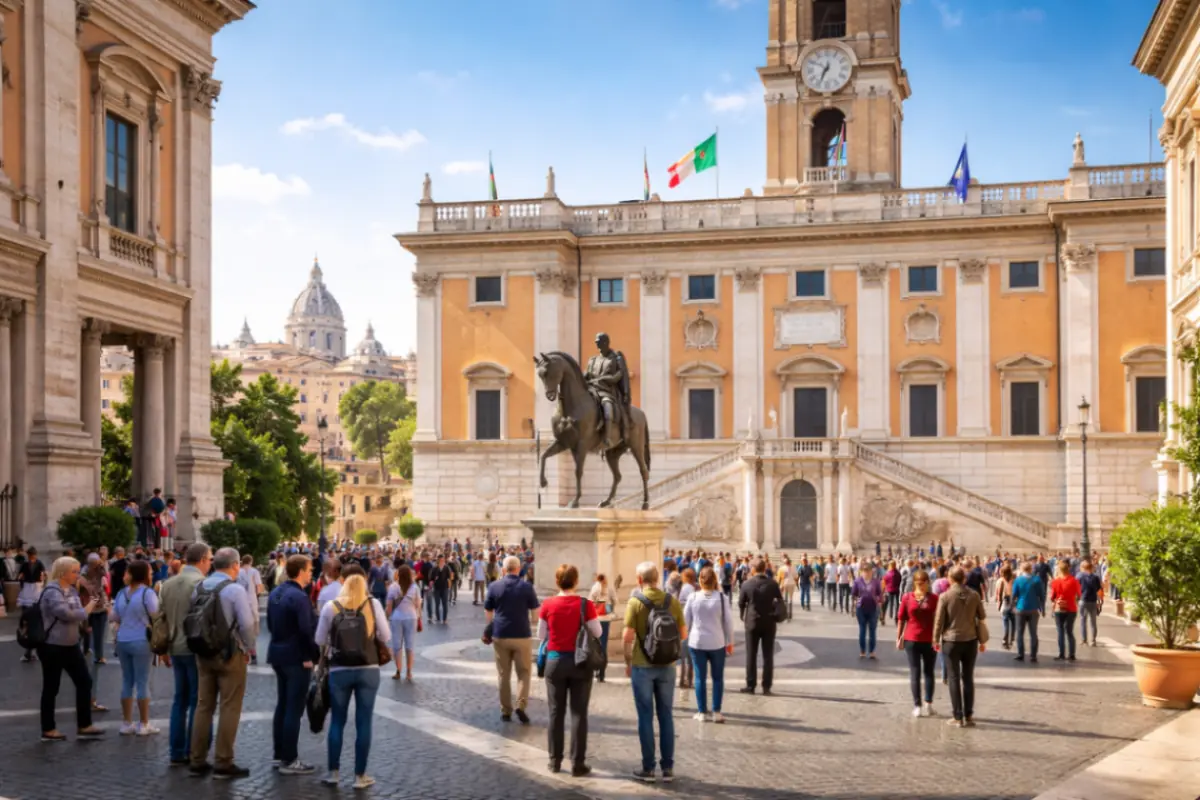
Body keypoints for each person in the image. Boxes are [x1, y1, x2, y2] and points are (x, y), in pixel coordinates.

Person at [315, 574, 391, 790]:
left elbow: (319, 640)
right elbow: (385, 636)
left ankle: (333, 773)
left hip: (339, 669)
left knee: (337, 721)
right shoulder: (373, 604)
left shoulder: (331, 607)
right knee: (364, 722)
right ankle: (360, 775)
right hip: (368, 668)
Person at [189, 547, 257, 780]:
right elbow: (247, 624)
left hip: (203, 652)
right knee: (230, 706)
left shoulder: (199, 586)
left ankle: (196, 759)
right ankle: (223, 760)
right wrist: (249, 647)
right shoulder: (235, 589)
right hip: (229, 653)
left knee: (203, 705)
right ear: (235, 565)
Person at [624, 561, 687, 783]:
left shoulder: (635, 602)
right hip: (667, 666)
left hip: (642, 665)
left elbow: (627, 636)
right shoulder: (673, 602)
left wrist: (627, 660)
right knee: (666, 715)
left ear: (640, 580)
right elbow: (683, 634)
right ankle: (668, 768)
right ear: (658, 578)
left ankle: (648, 768)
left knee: (645, 716)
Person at [538, 564, 601, 777]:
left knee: (555, 712)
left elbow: (541, 636)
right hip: (579, 662)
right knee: (579, 713)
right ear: (576, 581)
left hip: (555, 661)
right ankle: (577, 763)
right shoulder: (585, 604)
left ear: (557, 582)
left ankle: (554, 761)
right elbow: (598, 631)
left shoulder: (547, 604)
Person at [36, 556, 106, 742]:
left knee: (84, 681)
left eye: (77, 571)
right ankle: (48, 728)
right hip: (52, 645)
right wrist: (89, 607)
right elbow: (66, 614)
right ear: (62, 573)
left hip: (71, 644)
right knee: (52, 687)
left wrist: (83, 625)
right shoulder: (52, 591)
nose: (77, 574)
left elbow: (76, 613)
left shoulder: (72, 590)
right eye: (74, 571)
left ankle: (84, 724)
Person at [266, 554, 319, 775]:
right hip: (297, 657)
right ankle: (289, 759)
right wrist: (312, 655)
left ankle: (280, 754)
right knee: (293, 709)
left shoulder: (276, 593)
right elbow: (306, 630)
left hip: (277, 652)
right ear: (299, 571)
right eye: (309, 569)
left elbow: (269, 623)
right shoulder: (299, 597)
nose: (311, 573)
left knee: (283, 705)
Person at [159, 542, 210, 766]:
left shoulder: (167, 584)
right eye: (209, 560)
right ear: (201, 560)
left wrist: (163, 649)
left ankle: (176, 751)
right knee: (197, 701)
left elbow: (160, 618)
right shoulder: (201, 584)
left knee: (179, 701)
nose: (210, 564)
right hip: (195, 648)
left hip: (174, 646)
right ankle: (194, 750)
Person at [485, 555, 541, 723]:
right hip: (522, 634)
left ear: (504, 569)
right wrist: (531, 623)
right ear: (518, 569)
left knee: (503, 674)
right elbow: (535, 612)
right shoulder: (526, 587)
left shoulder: (494, 586)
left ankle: (505, 710)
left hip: (501, 634)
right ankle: (521, 705)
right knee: (524, 673)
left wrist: (491, 627)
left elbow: (488, 612)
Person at [109, 559, 160, 736]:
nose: (152, 575)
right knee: (142, 681)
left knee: (127, 681)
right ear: (144, 575)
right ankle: (144, 723)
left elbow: (114, 616)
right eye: (150, 573)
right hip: (141, 640)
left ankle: (126, 722)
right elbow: (156, 615)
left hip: (123, 640)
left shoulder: (122, 593)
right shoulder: (148, 593)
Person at [932, 567, 986, 728]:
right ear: (964, 579)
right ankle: (969, 715)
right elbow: (982, 616)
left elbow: (939, 621)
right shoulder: (974, 595)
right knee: (968, 677)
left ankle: (958, 716)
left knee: (954, 678)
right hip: (970, 640)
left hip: (951, 641)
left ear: (950, 579)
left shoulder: (945, 596)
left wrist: (935, 639)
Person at [684, 566, 734, 723]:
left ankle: (701, 712)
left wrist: (684, 638)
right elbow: (729, 623)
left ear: (700, 580)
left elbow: (685, 621)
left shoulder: (693, 597)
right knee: (718, 678)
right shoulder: (721, 598)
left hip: (697, 642)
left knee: (700, 678)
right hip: (717, 642)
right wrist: (730, 642)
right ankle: (717, 711)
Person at [896, 568, 939, 717]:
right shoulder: (910, 598)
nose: (921, 585)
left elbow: (939, 619)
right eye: (919, 583)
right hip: (913, 639)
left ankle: (925, 704)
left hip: (926, 639)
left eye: (923, 583)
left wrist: (938, 637)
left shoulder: (932, 599)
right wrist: (898, 637)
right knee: (918, 672)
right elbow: (901, 618)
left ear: (927, 583)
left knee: (926, 672)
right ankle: (920, 704)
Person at [737, 557, 782, 695]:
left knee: (751, 654)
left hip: (752, 622)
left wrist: (742, 615)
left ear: (753, 569)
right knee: (768, 655)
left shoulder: (746, 584)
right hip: (769, 622)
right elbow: (779, 600)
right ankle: (766, 686)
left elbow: (740, 602)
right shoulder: (773, 584)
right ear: (764, 569)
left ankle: (751, 685)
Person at [386, 564, 422, 681]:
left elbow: (389, 607)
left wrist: (386, 617)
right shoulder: (415, 588)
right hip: (411, 617)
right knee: (410, 645)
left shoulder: (393, 587)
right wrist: (419, 617)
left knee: (397, 645)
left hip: (397, 618)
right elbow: (418, 605)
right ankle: (409, 672)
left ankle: (398, 670)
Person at [1011, 561, 1045, 663]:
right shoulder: (1037, 580)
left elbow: (1014, 595)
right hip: (1033, 609)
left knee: (1020, 633)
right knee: (1033, 633)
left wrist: (1012, 606)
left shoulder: (1018, 580)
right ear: (1031, 569)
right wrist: (1042, 609)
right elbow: (1042, 595)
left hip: (1021, 608)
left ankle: (1021, 654)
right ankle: (1033, 656)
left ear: (1021, 569)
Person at [17, 546, 45, 662]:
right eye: (30, 556)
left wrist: (42, 580)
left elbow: (43, 575)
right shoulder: (24, 564)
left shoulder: (39, 564)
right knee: (29, 622)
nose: (32, 558)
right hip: (28, 588)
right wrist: (20, 579)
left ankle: (31, 652)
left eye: (33, 556)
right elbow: (21, 575)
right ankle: (29, 652)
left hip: (36, 587)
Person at [235, 554, 264, 665]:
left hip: (240, 601)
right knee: (252, 631)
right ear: (251, 561)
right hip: (252, 602)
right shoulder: (254, 571)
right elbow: (259, 587)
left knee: (240, 630)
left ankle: (243, 653)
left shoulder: (238, 571)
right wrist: (257, 594)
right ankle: (253, 654)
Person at [587, 574, 617, 682]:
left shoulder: (594, 588)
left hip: (596, 619)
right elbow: (615, 600)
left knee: (596, 645)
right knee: (604, 646)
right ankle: (602, 673)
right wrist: (611, 609)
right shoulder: (609, 588)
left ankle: (596, 668)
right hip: (606, 619)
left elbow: (589, 602)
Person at [1050, 560, 1081, 662]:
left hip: (1059, 609)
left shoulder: (1056, 582)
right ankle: (1072, 654)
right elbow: (1079, 595)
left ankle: (1061, 654)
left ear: (1059, 569)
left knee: (1060, 631)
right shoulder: (1074, 581)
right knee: (1070, 632)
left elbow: (1052, 597)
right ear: (1069, 569)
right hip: (1071, 608)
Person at [852, 563, 884, 659]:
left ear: (872, 571)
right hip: (861, 608)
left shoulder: (876, 582)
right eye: (865, 571)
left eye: (868, 571)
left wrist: (879, 601)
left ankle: (871, 651)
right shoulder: (857, 581)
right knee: (862, 630)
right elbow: (853, 593)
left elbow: (880, 594)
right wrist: (855, 600)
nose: (867, 573)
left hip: (873, 608)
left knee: (872, 631)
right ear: (861, 572)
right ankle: (862, 650)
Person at [1077, 559, 1103, 647]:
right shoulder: (1095, 577)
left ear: (1083, 568)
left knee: (1083, 621)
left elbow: (1076, 589)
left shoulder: (1079, 576)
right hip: (1093, 601)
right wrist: (1100, 600)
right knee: (1093, 622)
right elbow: (1099, 589)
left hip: (1083, 600)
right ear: (1091, 568)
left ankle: (1084, 640)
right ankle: (1093, 640)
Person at [994, 564, 1016, 649]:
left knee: (1006, 622)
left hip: (1005, 602)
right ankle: (1012, 638)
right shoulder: (1014, 580)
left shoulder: (1000, 581)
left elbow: (998, 594)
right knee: (1013, 622)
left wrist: (998, 605)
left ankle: (1005, 639)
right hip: (1013, 602)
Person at [428, 554, 452, 625]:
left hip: (444, 588)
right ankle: (438, 618)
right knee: (437, 603)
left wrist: (449, 585)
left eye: (443, 560)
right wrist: (432, 581)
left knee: (445, 604)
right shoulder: (435, 568)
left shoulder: (447, 568)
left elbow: (450, 577)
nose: (442, 561)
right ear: (438, 561)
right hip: (437, 588)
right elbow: (431, 578)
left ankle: (444, 619)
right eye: (440, 560)